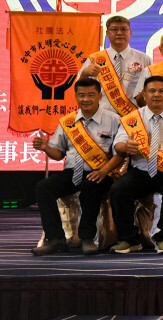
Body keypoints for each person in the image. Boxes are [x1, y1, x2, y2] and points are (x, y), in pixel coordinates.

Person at [31, 78, 124, 255]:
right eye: (81, 95)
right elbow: (58, 154)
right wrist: (46, 147)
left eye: (90, 95)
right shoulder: (68, 121)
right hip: (72, 172)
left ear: (99, 96)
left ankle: (87, 238)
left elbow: (120, 154)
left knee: (90, 185)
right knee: (43, 187)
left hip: (101, 172)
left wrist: (103, 171)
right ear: (75, 96)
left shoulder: (114, 120)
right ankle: (55, 238)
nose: (86, 99)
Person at [109, 75, 163, 254]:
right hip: (141, 169)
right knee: (118, 190)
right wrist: (125, 147)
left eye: (161, 91)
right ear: (144, 95)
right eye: (152, 91)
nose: (156, 95)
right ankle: (129, 239)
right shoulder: (132, 119)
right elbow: (118, 145)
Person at [78, 15, 151, 116]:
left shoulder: (144, 59)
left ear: (130, 33)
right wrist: (84, 74)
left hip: (133, 115)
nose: (119, 33)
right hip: (102, 115)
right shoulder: (95, 59)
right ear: (107, 33)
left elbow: (152, 88)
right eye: (114, 29)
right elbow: (79, 89)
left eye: (124, 29)